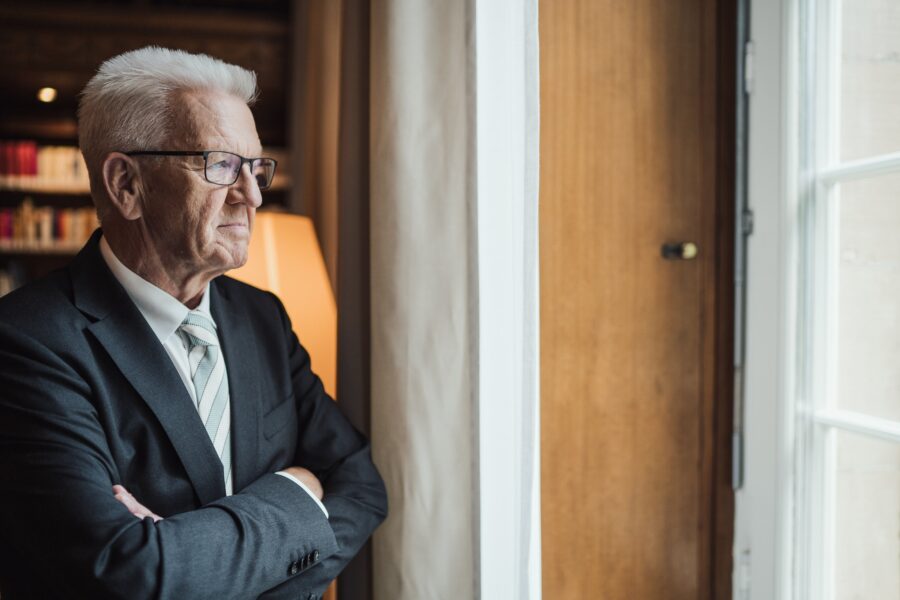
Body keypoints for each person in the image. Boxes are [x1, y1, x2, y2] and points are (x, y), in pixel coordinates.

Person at [0, 47, 387, 600]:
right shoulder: (26, 341)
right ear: (126, 185)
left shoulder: (263, 318)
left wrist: (199, 560)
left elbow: (361, 484)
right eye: (222, 165)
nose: (252, 196)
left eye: (256, 168)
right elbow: (127, 573)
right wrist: (297, 490)